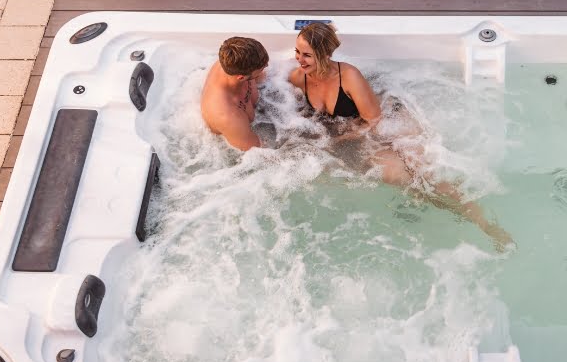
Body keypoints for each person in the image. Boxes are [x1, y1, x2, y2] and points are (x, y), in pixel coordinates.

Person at [288, 22, 514, 250]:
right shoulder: (299, 78)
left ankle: (484, 223)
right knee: (398, 177)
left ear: (325, 54)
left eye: (307, 55)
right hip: (358, 132)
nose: (299, 59)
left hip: (389, 123)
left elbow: (374, 119)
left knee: (428, 175)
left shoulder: (348, 76)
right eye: (297, 52)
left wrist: (340, 139)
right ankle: (448, 211)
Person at [201, 36, 270, 151]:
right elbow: (259, 154)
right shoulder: (228, 117)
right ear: (241, 77)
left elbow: (263, 76)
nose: (266, 67)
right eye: (261, 69)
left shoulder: (235, 62)